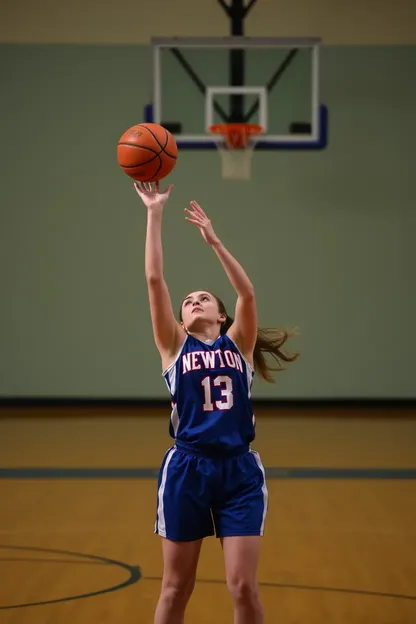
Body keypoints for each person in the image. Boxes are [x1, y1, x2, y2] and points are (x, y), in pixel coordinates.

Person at [134, 181, 298, 624]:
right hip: (187, 469)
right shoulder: (173, 345)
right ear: (181, 319)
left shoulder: (238, 344)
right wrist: (155, 212)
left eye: (203, 298)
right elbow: (154, 279)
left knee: (243, 587)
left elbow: (247, 293)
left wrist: (215, 241)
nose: (192, 302)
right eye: (187, 302)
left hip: (239, 471)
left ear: (220, 315)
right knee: (175, 587)